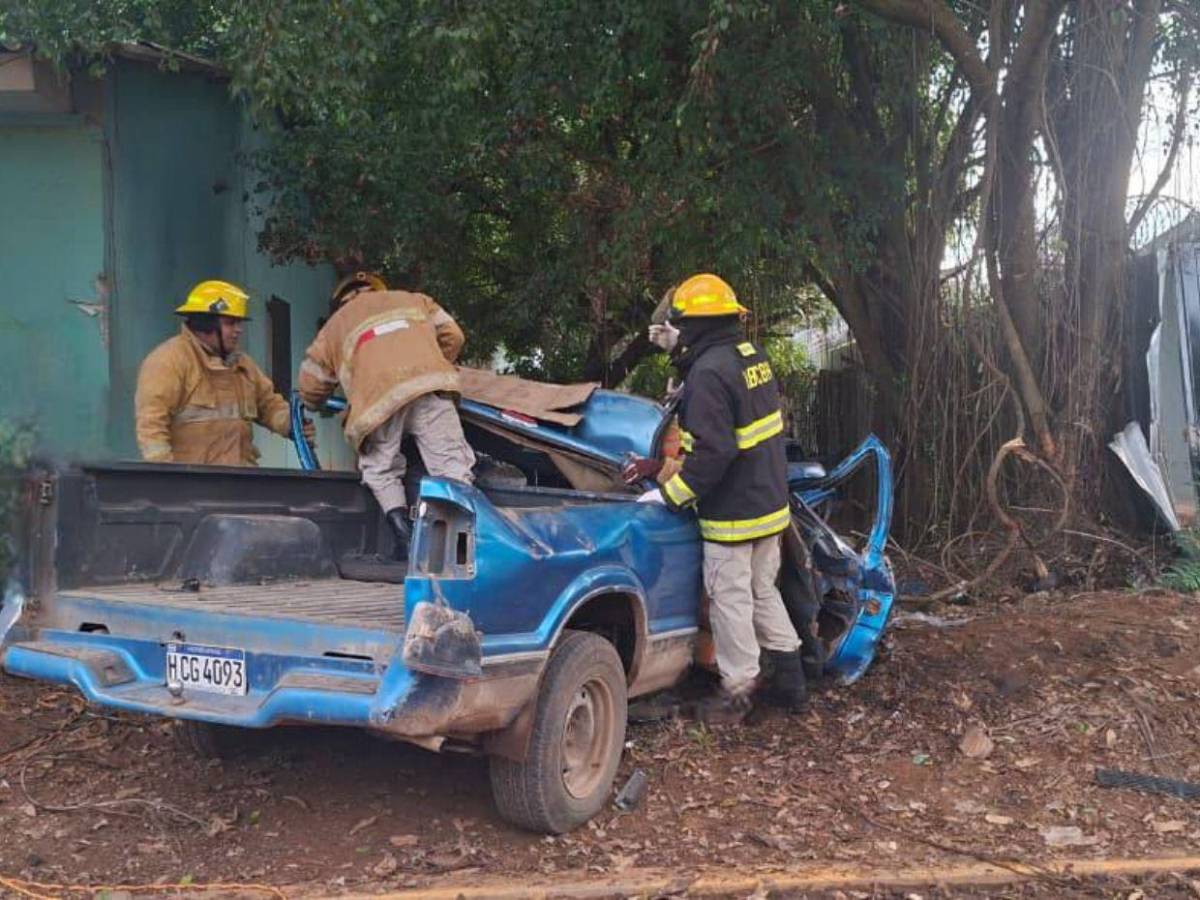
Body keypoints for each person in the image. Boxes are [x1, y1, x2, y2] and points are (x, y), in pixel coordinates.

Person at [627, 273, 806, 721]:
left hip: (734, 512)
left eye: (679, 325)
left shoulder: (708, 372)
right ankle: (791, 681)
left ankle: (738, 694)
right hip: (770, 503)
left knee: (730, 601)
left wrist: (670, 496)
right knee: (762, 590)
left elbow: (714, 452)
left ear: (695, 326)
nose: (675, 332)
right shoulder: (749, 356)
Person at [297, 272, 475, 560]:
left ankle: (404, 541)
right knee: (452, 468)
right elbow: (454, 335)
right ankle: (460, 552)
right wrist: (431, 363)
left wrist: (317, 403)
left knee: (380, 469)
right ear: (377, 290)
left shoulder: (334, 326)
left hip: (377, 402)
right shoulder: (415, 300)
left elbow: (311, 385)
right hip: (429, 389)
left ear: (341, 301)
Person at [135, 280, 314, 465]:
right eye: (230, 323)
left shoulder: (242, 365)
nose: (238, 330)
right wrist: (167, 480)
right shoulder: (168, 362)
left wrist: (293, 425)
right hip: (192, 488)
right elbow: (151, 427)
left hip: (240, 485)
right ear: (205, 323)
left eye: (239, 323)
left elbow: (269, 405)